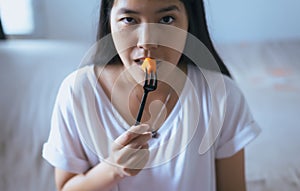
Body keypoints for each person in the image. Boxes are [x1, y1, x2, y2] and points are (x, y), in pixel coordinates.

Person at [42, 0, 260, 191]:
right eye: (129, 20)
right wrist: (113, 169)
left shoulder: (221, 95)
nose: (146, 42)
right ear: (109, 19)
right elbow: (66, 186)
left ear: (189, 22)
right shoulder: (77, 92)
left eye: (166, 19)